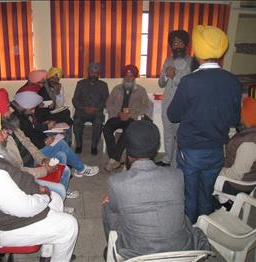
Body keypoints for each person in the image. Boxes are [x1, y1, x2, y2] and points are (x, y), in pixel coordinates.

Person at [0, 110, 78, 262]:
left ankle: (47, 255)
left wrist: (37, 189)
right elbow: (25, 208)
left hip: (6, 214)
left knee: (57, 199)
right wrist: (43, 196)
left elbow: (17, 179)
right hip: (1, 229)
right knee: (69, 225)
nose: (6, 134)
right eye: (1, 131)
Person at [102, 120, 210, 260]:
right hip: (181, 250)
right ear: (155, 147)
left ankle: (112, 249)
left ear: (128, 150)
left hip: (137, 253)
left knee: (108, 206)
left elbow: (116, 210)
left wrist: (111, 202)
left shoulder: (117, 182)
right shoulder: (177, 175)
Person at [167, 25, 242, 224]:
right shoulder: (233, 81)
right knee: (206, 193)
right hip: (217, 150)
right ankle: (206, 228)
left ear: (197, 52)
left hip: (191, 150)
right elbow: (235, 120)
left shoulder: (190, 82)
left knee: (189, 195)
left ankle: (192, 233)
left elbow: (173, 115)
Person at [0, 88, 79, 204]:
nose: (12, 110)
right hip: (24, 177)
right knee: (60, 188)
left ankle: (57, 201)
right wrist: (44, 170)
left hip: (32, 164)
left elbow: (28, 143)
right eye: (8, 108)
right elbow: (18, 171)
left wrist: (42, 159)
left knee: (66, 169)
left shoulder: (11, 125)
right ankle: (57, 199)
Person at [12, 91, 100, 178]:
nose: (33, 111)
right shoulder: (19, 121)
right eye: (31, 108)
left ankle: (62, 186)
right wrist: (44, 142)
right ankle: (81, 169)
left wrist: (46, 138)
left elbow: (33, 132)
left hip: (36, 147)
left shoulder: (23, 115)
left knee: (61, 154)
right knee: (61, 144)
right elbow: (28, 142)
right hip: (32, 156)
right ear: (24, 106)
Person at [156, 30, 192, 167]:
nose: (177, 45)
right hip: (167, 104)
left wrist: (174, 77)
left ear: (185, 44)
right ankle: (166, 159)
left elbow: (189, 84)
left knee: (179, 135)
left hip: (182, 105)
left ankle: (177, 162)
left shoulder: (191, 61)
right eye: (174, 43)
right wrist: (165, 76)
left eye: (180, 42)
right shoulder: (168, 60)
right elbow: (161, 83)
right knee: (168, 133)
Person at [104, 64, 149, 171]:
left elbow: (145, 106)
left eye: (131, 76)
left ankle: (113, 159)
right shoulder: (116, 89)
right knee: (106, 128)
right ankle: (116, 158)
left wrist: (131, 114)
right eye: (126, 76)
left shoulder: (141, 90)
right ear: (123, 77)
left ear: (135, 77)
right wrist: (118, 113)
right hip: (117, 116)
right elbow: (108, 103)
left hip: (131, 118)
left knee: (127, 131)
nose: (128, 78)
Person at [218, 97, 256, 195]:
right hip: (244, 180)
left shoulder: (249, 144)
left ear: (246, 116)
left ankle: (216, 203)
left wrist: (214, 171)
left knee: (200, 178)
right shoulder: (249, 132)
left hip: (236, 186)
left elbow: (236, 174)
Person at [72, 62, 109, 155]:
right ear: (88, 72)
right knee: (76, 122)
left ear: (98, 74)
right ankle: (79, 145)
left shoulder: (103, 85)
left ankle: (94, 146)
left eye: (96, 73)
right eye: (92, 72)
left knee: (98, 122)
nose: (93, 75)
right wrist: (83, 108)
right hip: (82, 111)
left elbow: (106, 101)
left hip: (96, 112)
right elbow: (75, 99)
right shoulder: (80, 83)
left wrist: (96, 108)